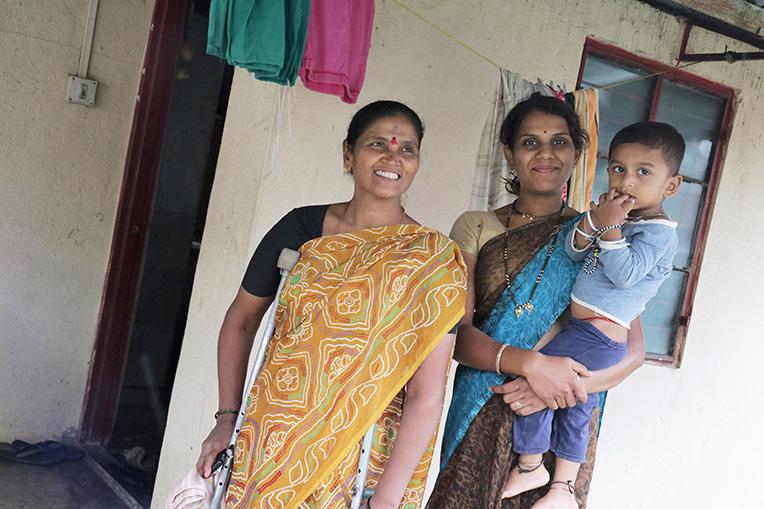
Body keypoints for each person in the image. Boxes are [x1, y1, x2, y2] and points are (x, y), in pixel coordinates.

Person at [195, 101, 467, 509]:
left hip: (362, 460)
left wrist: (388, 497)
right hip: (273, 440)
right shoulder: (299, 229)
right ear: (348, 155)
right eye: (379, 144)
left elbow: (427, 394)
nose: (393, 157)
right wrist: (226, 419)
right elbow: (241, 321)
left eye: (407, 149)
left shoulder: (432, 262)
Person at [426, 94, 646, 509]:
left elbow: (632, 352)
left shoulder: (601, 234)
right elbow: (455, 336)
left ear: (577, 152)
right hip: (485, 404)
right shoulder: (476, 226)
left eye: (559, 142)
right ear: (509, 153)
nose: (546, 154)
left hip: (566, 420)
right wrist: (532, 367)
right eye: (530, 142)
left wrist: (557, 388)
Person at [502, 121, 684, 508]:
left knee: (537, 372)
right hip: (590, 332)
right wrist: (593, 223)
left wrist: (613, 230)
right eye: (618, 168)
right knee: (579, 407)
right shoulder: (618, 218)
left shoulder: (659, 233)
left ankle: (533, 462)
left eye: (643, 172)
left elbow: (626, 274)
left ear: (671, 186)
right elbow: (572, 250)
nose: (626, 181)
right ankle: (562, 489)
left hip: (599, 334)